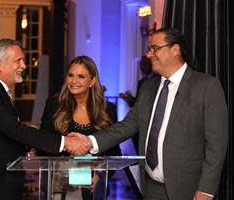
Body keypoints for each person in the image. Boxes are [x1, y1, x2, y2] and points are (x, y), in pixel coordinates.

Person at [69, 28, 228, 200]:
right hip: (150, 188)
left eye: (154, 48)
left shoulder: (206, 87)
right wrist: (90, 141)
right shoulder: (148, 87)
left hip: (189, 190)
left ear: (175, 50)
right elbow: (127, 126)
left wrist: (206, 189)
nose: (149, 54)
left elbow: (216, 146)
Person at [0, 39, 90, 200]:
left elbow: (0, 135)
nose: (24, 66)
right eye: (18, 61)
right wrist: (65, 143)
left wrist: (26, 146)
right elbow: (14, 129)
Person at [38, 55, 121, 199]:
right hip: (58, 184)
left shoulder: (108, 110)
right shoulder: (53, 105)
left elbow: (114, 152)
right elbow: (43, 144)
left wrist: (99, 175)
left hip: (92, 186)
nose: (74, 81)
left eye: (81, 76)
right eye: (70, 75)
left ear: (92, 80)